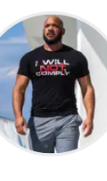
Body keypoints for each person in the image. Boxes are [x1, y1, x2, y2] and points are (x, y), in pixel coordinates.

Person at [14, 16, 94, 153]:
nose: (50, 29)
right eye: (47, 26)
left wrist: (90, 117)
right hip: (39, 121)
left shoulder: (76, 57)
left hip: (68, 120)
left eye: (55, 26)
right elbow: (19, 88)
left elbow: (86, 88)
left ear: (62, 31)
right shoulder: (30, 58)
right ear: (43, 30)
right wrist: (18, 116)